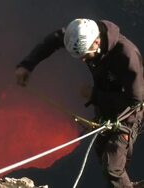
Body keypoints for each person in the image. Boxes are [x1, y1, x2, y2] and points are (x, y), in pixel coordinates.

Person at [15, 18, 144, 188]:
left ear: (96, 41)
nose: (83, 60)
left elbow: (136, 99)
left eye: (85, 55)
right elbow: (53, 40)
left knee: (112, 166)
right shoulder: (78, 34)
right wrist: (27, 65)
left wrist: (94, 94)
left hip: (128, 114)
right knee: (102, 151)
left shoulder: (127, 55)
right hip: (105, 107)